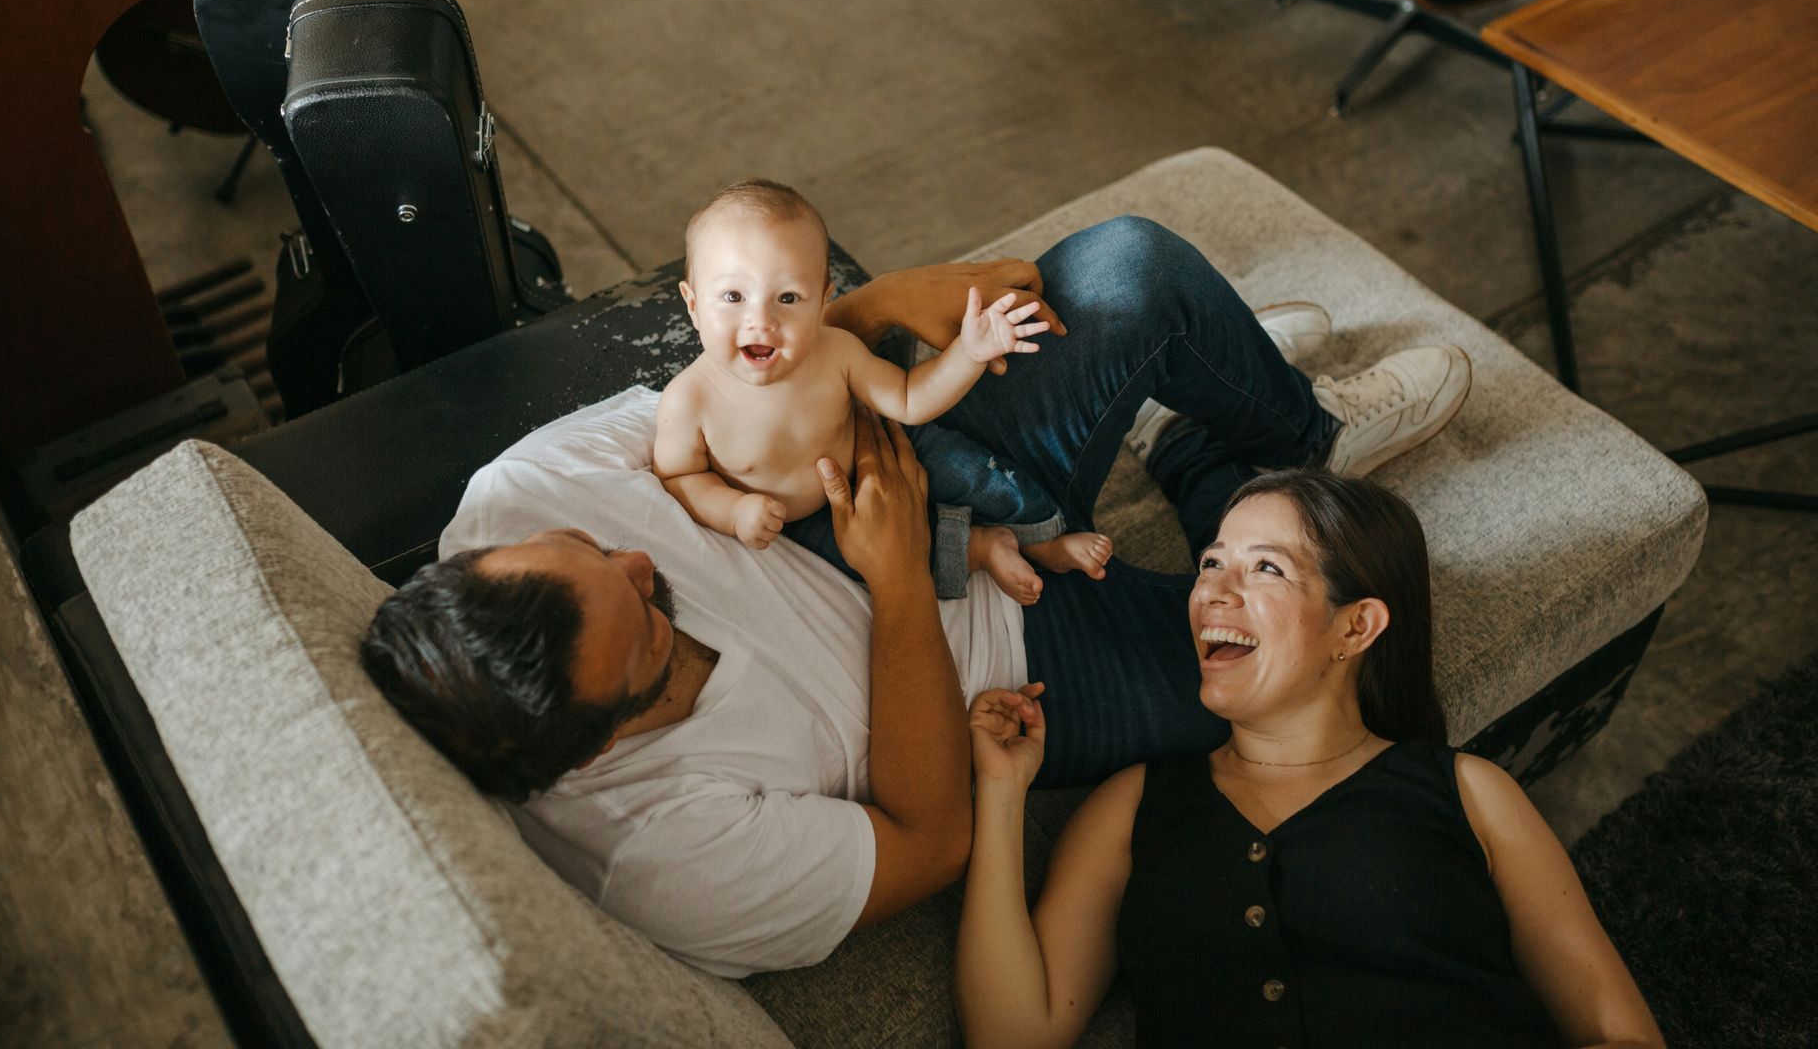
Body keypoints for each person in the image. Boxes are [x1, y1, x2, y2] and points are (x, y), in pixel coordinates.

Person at [360, 216, 1474, 976]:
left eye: (599, 550)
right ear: (601, 743)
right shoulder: (663, 860)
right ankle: (1193, 438)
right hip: (999, 663)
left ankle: (1297, 432)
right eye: (650, 623)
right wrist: (899, 584)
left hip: (890, 467)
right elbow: (931, 839)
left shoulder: (516, 496)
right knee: (1329, 684)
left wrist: (874, 309)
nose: (644, 567)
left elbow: (722, 398)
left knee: (1133, 270)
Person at [956, 469, 1664, 1049]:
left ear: (1355, 626)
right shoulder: (1134, 804)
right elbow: (1013, 1035)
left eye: (1265, 567)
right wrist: (1001, 791)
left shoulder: (1468, 793)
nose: (1211, 592)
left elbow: (1622, 1035)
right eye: (1211, 563)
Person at [655, 178, 1111, 605]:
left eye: (788, 297)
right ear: (692, 304)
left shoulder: (835, 352)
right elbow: (681, 479)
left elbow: (910, 399)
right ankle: (981, 548)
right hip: (805, 523)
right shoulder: (690, 400)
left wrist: (970, 353)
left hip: (875, 449)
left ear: (822, 301)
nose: (762, 320)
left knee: (970, 467)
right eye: (733, 297)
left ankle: (1043, 536)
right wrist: (734, 511)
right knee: (863, 568)